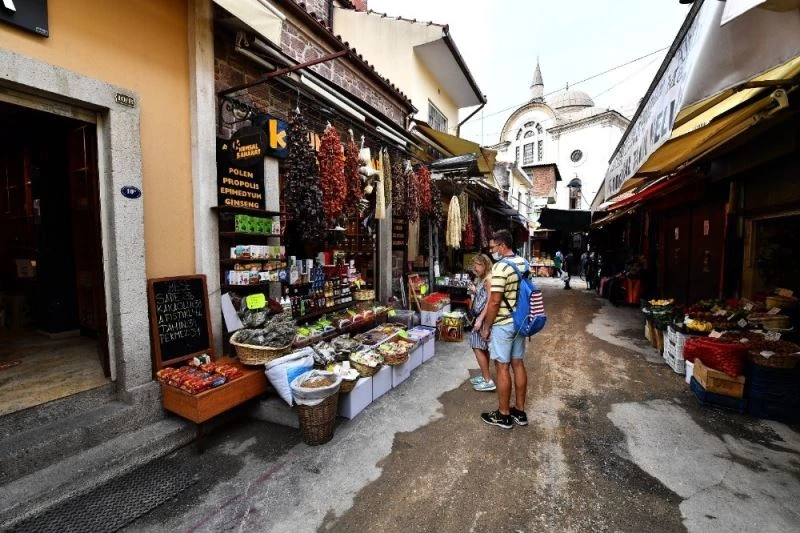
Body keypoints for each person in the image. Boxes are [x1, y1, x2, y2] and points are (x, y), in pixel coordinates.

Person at [480, 229, 529, 429]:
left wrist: (487, 327)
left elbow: (494, 302)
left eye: (493, 247)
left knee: (502, 366)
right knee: (518, 363)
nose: (492, 251)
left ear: (502, 246)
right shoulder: (523, 263)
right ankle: (519, 411)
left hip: (503, 323)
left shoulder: (500, 267)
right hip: (520, 321)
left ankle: (503, 414)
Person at [467, 254, 495, 392]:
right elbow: (484, 297)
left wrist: (480, 320)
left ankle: (488, 380)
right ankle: (485, 376)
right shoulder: (485, 278)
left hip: (483, 319)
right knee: (482, 347)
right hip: (481, 318)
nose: (475, 268)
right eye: (475, 265)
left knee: (476, 346)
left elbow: (490, 302)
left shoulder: (489, 279)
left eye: (478, 265)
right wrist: (475, 290)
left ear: (485, 265)